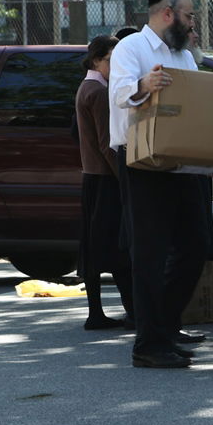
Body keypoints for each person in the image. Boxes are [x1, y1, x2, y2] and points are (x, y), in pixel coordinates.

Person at [108, 0, 208, 369]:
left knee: (196, 246)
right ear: (167, 14)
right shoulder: (130, 48)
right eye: (189, 15)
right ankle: (148, 344)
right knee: (149, 254)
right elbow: (119, 94)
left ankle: (164, 328)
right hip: (141, 161)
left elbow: (197, 106)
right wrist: (143, 85)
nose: (192, 22)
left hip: (181, 161)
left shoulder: (184, 56)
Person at [74, 35, 134, 330]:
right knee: (116, 248)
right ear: (96, 60)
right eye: (109, 60)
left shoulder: (89, 86)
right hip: (104, 179)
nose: (113, 65)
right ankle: (123, 312)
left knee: (97, 248)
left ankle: (99, 312)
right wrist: (124, 177)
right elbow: (106, 142)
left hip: (94, 178)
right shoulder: (97, 91)